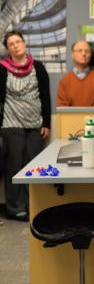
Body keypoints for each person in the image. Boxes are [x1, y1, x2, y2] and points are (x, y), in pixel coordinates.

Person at [0, 30, 51, 222]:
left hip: (35, 124)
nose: (16, 45)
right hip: (11, 123)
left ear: (24, 43)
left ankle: (34, 207)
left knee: (33, 166)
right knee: (14, 166)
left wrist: (46, 123)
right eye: (11, 43)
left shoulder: (38, 66)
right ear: (8, 49)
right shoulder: (2, 68)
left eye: (18, 41)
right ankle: (15, 208)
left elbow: (45, 96)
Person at [57, 40, 94, 106]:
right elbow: (62, 107)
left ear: (91, 55)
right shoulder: (64, 81)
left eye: (87, 51)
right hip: (71, 116)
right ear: (72, 54)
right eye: (80, 51)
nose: (83, 54)